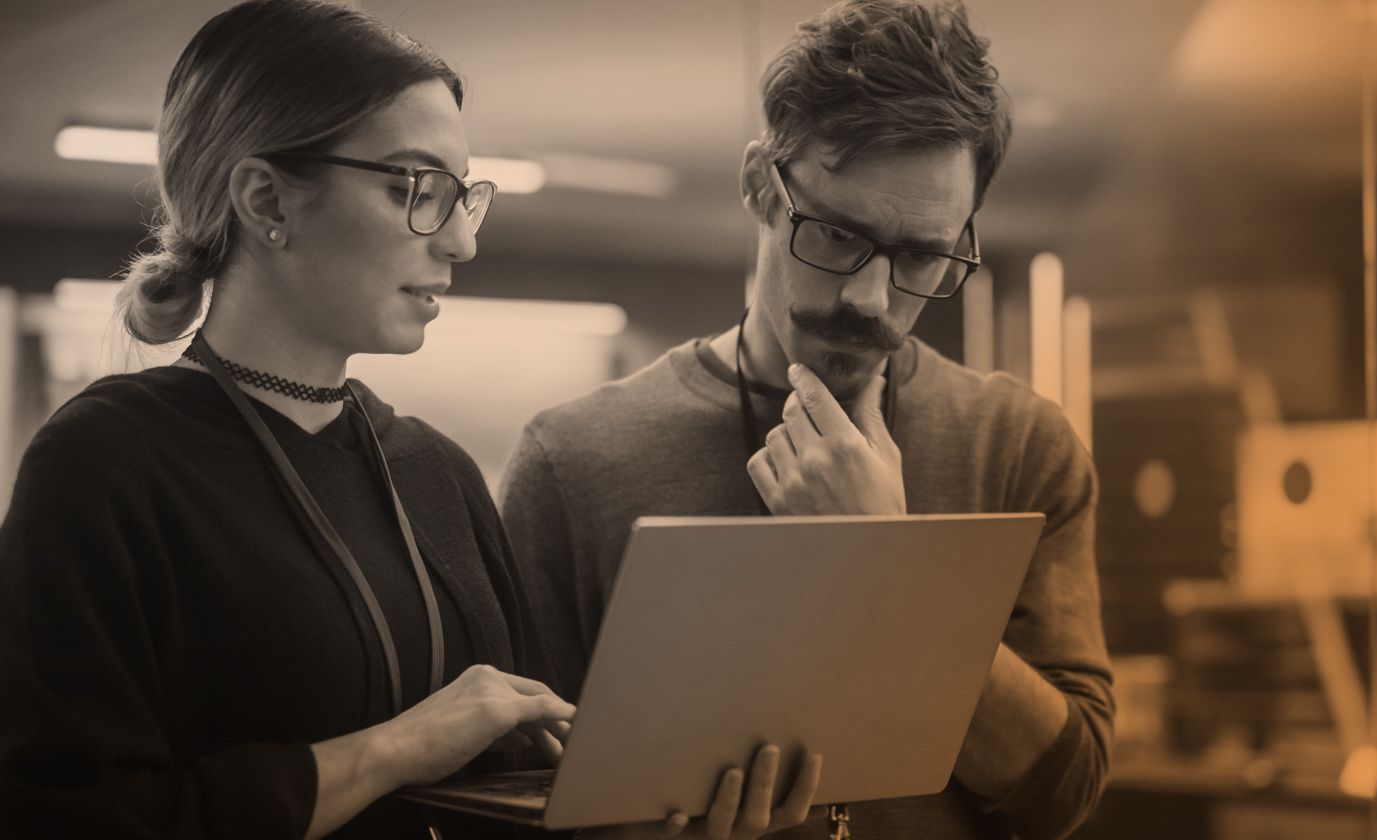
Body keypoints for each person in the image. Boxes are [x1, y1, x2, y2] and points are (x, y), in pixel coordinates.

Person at [0, 2, 815, 838]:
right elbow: (74, 817)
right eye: (416, 189)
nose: (460, 241)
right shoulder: (104, 464)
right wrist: (396, 749)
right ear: (266, 199)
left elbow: (516, 796)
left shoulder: (440, 476)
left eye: (464, 196)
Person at [499, 2, 1113, 838]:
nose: (869, 299)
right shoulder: (574, 461)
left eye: (921, 257)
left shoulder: (1020, 444)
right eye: (834, 235)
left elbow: (1063, 793)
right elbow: (509, 803)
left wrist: (885, 566)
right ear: (761, 185)